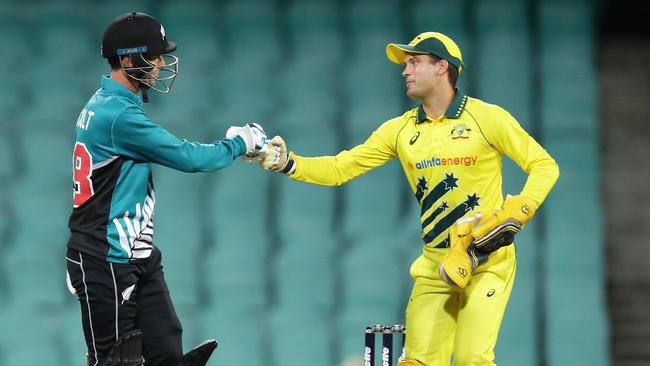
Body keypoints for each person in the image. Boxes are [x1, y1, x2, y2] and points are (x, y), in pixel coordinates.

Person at [261, 32, 559, 365]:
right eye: (406, 64)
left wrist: (520, 209)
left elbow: (544, 165)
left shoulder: (486, 118)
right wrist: (289, 163)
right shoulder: (400, 130)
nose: (405, 71)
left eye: (415, 62)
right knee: (416, 362)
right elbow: (341, 167)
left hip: (487, 260)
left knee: (472, 359)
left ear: (442, 67)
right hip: (435, 265)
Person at [65, 12, 267, 366]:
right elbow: (189, 157)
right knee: (117, 361)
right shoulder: (118, 116)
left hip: (134, 253)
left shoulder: (108, 103)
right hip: (106, 258)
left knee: (167, 352)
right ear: (127, 60)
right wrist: (240, 142)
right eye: (153, 56)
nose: (160, 63)